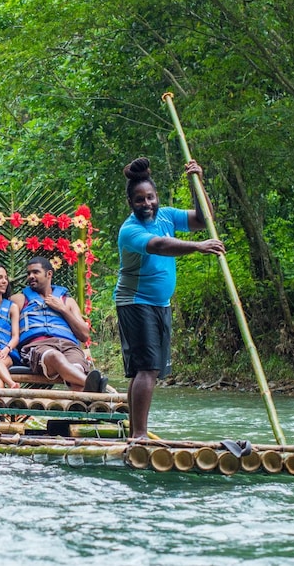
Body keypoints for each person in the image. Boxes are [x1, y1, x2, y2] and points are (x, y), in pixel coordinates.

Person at [115, 156, 226, 440]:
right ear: (131, 203)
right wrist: (197, 247)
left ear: (157, 197)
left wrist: (195, 184)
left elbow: (204, 220)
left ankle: (134, 431)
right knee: (148, 369)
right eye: (139, 200)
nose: (147, 204)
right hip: (135, 302)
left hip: (159, 304)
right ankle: (139, 436)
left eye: (150, 197)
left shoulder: (166, 215)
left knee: (145, 369)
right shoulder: (130, 230)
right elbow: (159, 245)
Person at [14, 256, 107, 393]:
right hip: (39, 347)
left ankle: (86, 403)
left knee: (76, 371)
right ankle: (95, 387)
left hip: (68, 346)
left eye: (35, 272)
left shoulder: (67, 302)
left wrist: (62, 309)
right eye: (28, 274)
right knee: (55, 356)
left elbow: (84, 335)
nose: (31, 277)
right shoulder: (20, 299)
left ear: (49, 274)